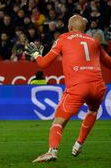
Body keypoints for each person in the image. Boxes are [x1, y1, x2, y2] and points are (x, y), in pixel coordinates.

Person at [26, 15, 111, 163]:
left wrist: (36, 54)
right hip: (98, 87)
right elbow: (109, 63)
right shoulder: (94, 41)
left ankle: (52, 151)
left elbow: (44, 64)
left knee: (58, 122)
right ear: (84, 28)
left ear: (69, 27)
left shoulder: (64, 38)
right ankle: (78, 144)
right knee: (92, 110)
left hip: (78, 87)